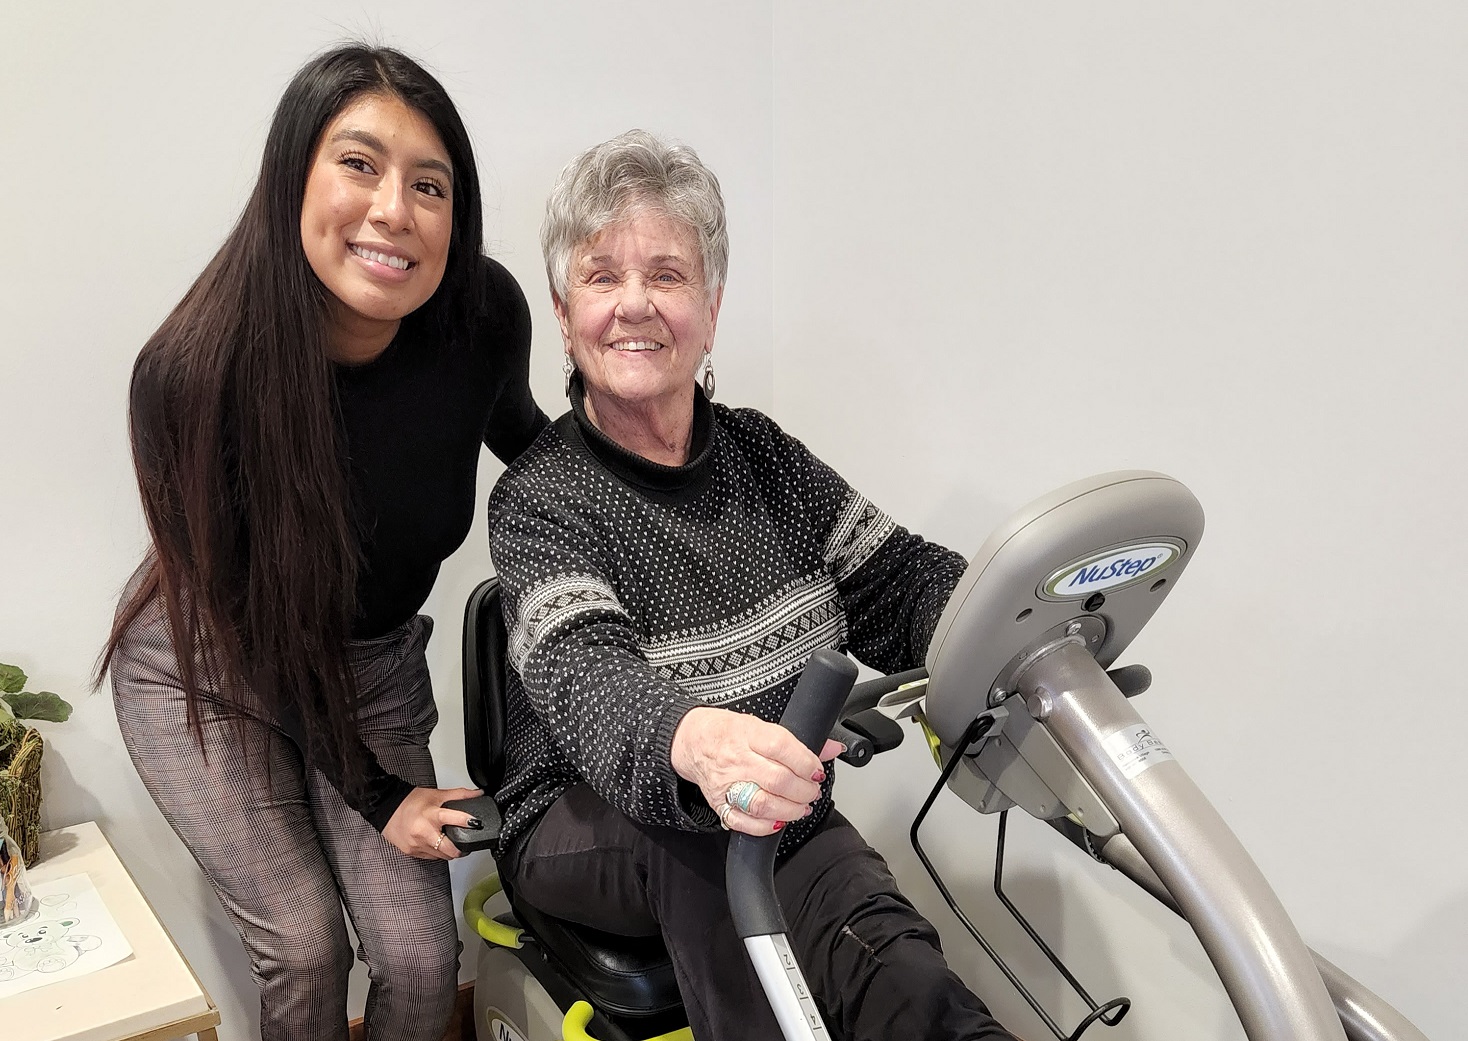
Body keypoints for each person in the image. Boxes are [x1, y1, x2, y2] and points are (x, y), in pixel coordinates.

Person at [487, 130, 1013, 1041]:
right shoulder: (542, 497)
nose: (635, 304)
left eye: (668, 273)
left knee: (914, 988)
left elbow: (899, 581)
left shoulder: (764, 456)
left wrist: (1007, 625)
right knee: (698, 832)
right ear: (565, 314)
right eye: (602, 276)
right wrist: (692, 740)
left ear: (712, 306)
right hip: (591, 815)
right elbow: (591, 680)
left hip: (776, 806)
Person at [98, 45, 546, 1041]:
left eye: (430, 184)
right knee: (305, 947)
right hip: (213, 666)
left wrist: (665, 463)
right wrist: (381, 795)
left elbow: (531, 442)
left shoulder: (479, 316)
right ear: (291, 173)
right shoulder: (189, 376)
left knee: (426, 962)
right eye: (359, 164)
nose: (395, 209)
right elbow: (263, 643)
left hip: (368, 667)